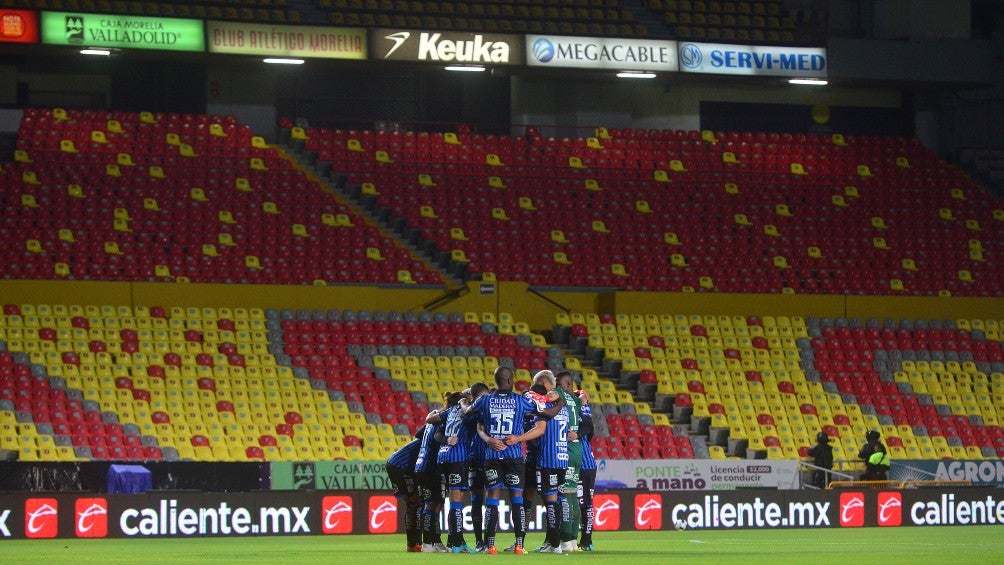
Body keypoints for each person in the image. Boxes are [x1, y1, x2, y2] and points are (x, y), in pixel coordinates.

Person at [464, 365, 564, 555]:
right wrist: (560, 401)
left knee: (492, 499)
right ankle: (519, 545)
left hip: (492, 455)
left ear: (496, 381)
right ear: (511, 381)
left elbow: (468, 412)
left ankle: (490, 546)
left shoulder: (485, 400)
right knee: (517, 500)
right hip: (514, 456)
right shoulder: (521, 401)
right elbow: (544, 413)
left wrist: (463, 404)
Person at [435, 390, 478, 553]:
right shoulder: (466, 413)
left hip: (443, 457)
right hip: (457, 458)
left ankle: (453, 541)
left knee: (454, 502)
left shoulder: (450, 411)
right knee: (456, 503)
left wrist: (446, 440)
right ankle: (458, 543)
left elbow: (438, 432)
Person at [415, 396, 449, 552]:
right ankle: (428, 543)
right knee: (431, 504)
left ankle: (435, 542)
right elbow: (437, 437)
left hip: (423, 465)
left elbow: (417, 434)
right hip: (431, 467)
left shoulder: (433, 417)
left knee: (436, 504)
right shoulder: (443, 420)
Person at [554, 370, 582, 553]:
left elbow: (552, 395)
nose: (555, 386)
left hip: (567, 449)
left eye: (558, 383)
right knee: (572, 494)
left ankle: (565, 539)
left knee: (564, 494)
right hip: (577, 448)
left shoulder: (561, 393)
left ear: (567, 384)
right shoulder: (576, 399)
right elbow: (582, 400)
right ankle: (572, 540)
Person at [465, 382, 491, 552]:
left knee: (488, 502)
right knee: (478, 502)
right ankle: (482, 541)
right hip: (479, 460)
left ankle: (486, 541)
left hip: (487, 460)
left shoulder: (474, 412)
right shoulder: (473, 414)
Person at [385, 435, 423, 552]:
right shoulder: (432, 435)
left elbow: (417, 434)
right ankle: (412, 545)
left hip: (398, 465)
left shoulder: (428, 432)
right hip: (399, 466)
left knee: (416, 503)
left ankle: (415, 543)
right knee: (414, 503)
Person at [574, 388, 597, 551]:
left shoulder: (582, 409)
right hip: (570, 463)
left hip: (585, 464)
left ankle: (587, 540)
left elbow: (589, 426)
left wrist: (580, 401)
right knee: (571, 502)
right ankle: (570, 538)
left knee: (585, 503)